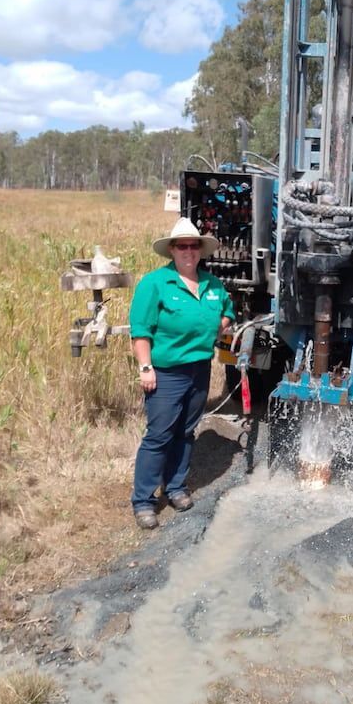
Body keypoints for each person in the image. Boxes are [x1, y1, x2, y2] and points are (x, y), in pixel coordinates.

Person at [129, 216, 235, 530]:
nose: (188, 251)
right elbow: (140, 330)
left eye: (193, 245)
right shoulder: (155, 283)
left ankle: (175, 487)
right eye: (182, 246)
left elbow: (227, 312)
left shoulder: (211, 284)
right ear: (172, 250)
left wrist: (220, 327)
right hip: (165, 373)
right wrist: (145, 367)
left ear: (200, 250)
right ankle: (144, 500)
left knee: (186, 432)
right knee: (160, 435)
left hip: (199, 370)